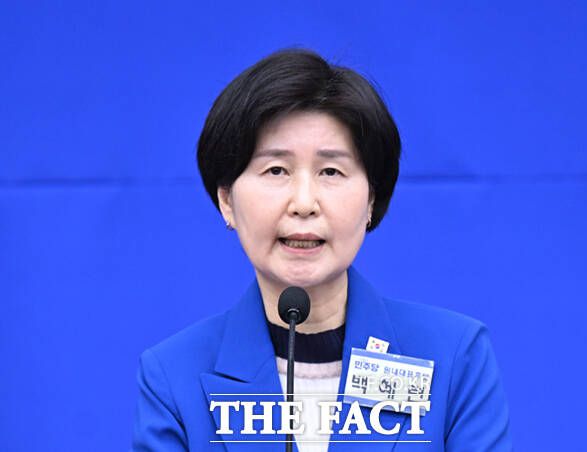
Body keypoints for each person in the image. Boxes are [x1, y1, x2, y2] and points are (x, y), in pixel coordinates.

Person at [131, 49, 513, 451]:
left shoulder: (454, 357)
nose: (303, 203)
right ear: (227, 199)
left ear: (371, 198)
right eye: (276, 170)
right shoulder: (174, 377)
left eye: (331, 171)